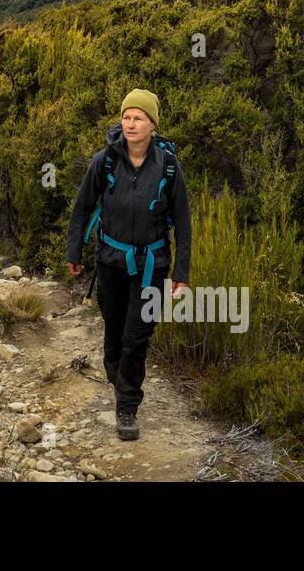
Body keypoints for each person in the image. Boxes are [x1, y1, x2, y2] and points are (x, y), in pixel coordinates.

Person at [65, 88, 191, 441]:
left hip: (153, 263)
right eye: (126, 117)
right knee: (114, 330)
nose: (130, 123)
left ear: (152, 124)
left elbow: (183, 220)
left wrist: (182, 273)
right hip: (110, 260)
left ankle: (127, 406)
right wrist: (74, 252)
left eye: (138, 117)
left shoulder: (167, 166)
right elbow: (82, 208)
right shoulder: (105, 160)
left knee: (138, 336)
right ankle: (116, 373)